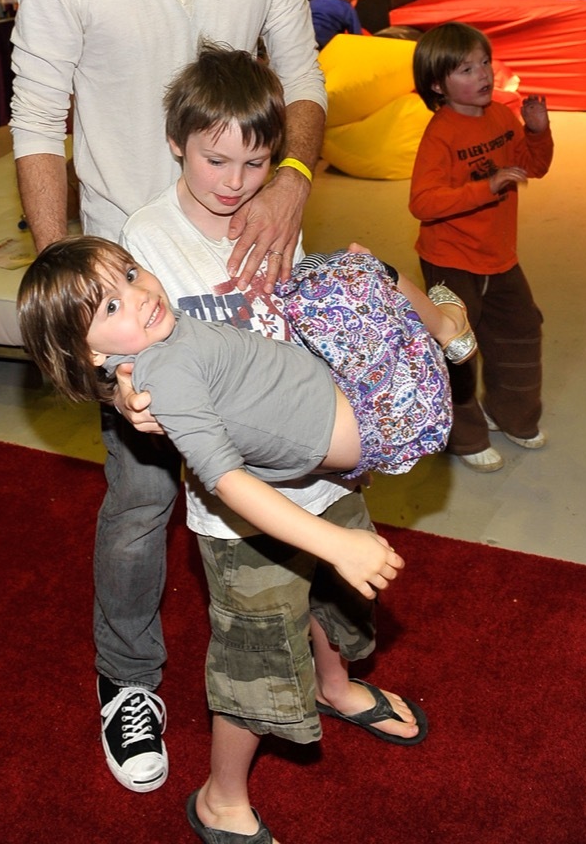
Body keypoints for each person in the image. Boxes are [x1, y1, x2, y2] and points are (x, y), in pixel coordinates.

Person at [9, 0, 327, 795]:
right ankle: (128, 678)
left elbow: (304, 83)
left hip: (249, 263)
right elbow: (36, 122)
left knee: (287, 468)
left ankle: (317, 657)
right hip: (134, 293)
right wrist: (76, 298)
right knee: (145, 501)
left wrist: (293, 178)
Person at [115, 42, 439, 840]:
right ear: (176, 142)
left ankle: (336, 685)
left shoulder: (273, 208)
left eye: (255, 163)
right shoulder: (145, 237)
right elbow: (122, 349)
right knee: (256, 652)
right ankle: (221, 796)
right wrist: (126, 395)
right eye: (215, 160)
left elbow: (301, 318)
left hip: (320, 460)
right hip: (239, 499)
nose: (234, 182)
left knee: (334, 590)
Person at [409, 21, 554, 473]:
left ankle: (511, 414)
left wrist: (537, 132)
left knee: (521, 332)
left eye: (485, 63)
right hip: (450, 261)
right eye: (467, 69)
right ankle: (464, 435)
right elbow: (422, 202)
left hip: (500, 256)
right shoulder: (441, 134)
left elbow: (533, 167)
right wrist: (485, 187)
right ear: (438, 85)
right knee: (457, 346)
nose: (484, 75)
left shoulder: (500, 117)